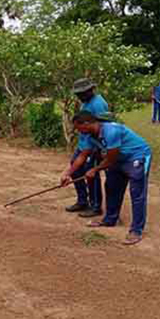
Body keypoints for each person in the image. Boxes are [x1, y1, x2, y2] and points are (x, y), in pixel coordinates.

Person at [61, 111, 152, 245]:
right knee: (111, 187)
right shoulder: (88, 135)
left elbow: (111, 158)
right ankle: (110, 219)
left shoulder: (111, 131)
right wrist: (67, 173)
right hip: (118, 160)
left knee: (137, 193)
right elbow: (82, 156)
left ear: (86, 123)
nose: (78, 131)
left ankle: (136, 230)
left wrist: (95, 169)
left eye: (78, 127)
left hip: (137, 156)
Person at [64, 78, 108, 216]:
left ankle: (95, 206)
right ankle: (82, 201)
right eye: (77, 94)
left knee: (90, 173)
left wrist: (96, 149)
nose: (79, 97)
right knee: (75, 168)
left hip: (93, 146)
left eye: (81, 94)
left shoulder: (98, 104)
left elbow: (102, 126)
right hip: (84, 143)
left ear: (90, 90)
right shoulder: (86, 102)